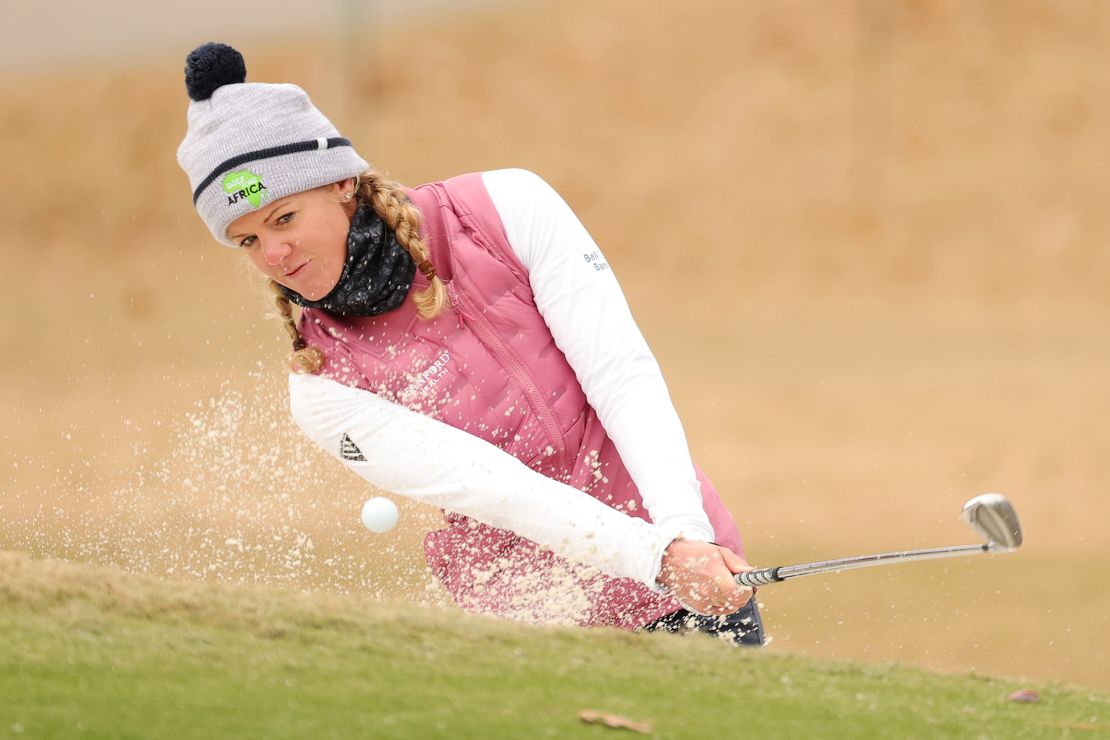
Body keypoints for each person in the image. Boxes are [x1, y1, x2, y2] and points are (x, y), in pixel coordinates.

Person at [176, 43, 763, 643]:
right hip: (538, 619)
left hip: (693, 569)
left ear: (341, 182)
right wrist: (660, 557)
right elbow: (496, 488)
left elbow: (619, 374)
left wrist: (686, 534)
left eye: (283, 219)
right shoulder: (322, 387)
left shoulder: (507, 208)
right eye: (246, 241)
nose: (273, 255)